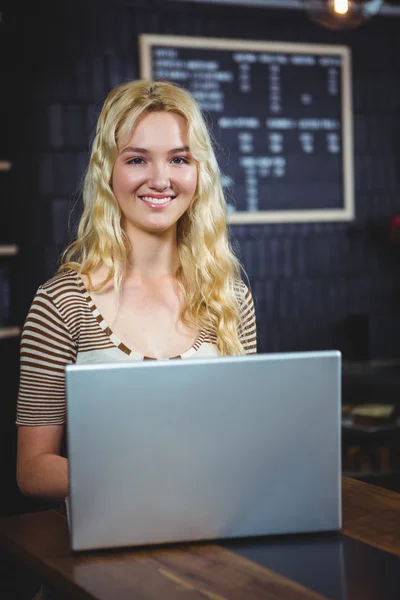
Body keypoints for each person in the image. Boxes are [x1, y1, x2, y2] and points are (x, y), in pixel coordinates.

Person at [16, 79, 257, 505]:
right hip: (109, 544)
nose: (160, 179)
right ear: (108, 171)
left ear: (199, 172)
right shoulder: (61, 303)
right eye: (138, 159)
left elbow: (246, 438)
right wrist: (141, 478)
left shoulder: (230, 297)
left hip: (220, 525)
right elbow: (33, 467)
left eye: (179, 159)